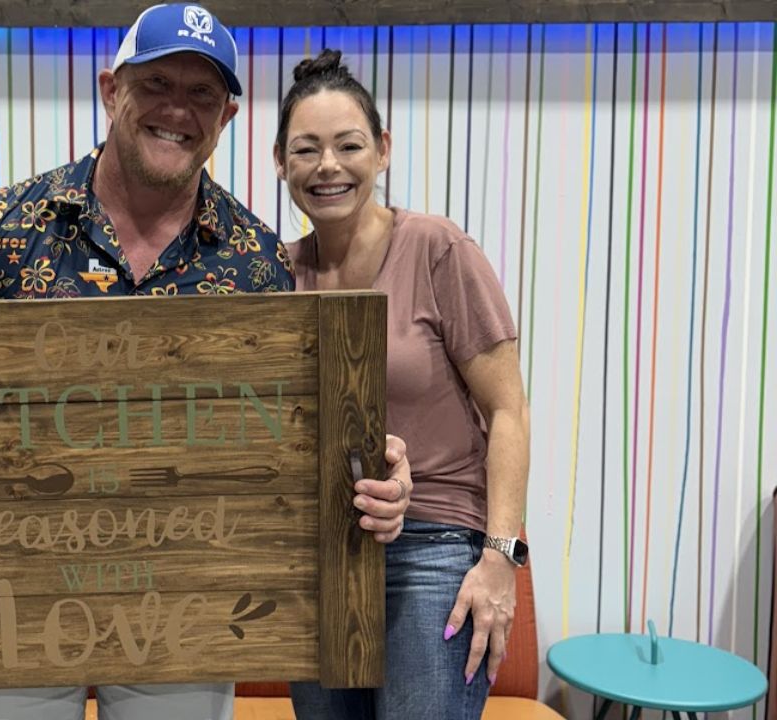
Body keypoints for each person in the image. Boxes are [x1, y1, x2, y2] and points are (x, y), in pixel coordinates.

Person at [0, 8, 414, 720]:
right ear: (111, 89)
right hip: (6, 603)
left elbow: (295, 428)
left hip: (185, 612)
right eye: (156, 84)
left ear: (229, 114)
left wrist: (371, 467)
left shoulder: (253, 259)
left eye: (202, 94)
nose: (178, 108)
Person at [275, 50, 531, 720]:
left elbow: (509, 411)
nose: (328, 166)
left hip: (436, 548)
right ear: (280, 163)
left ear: (382, 150)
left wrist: (500, 562)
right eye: (306, 150)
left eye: (349, 145)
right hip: (324, 550)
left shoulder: (438, 249)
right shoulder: (279, 274)